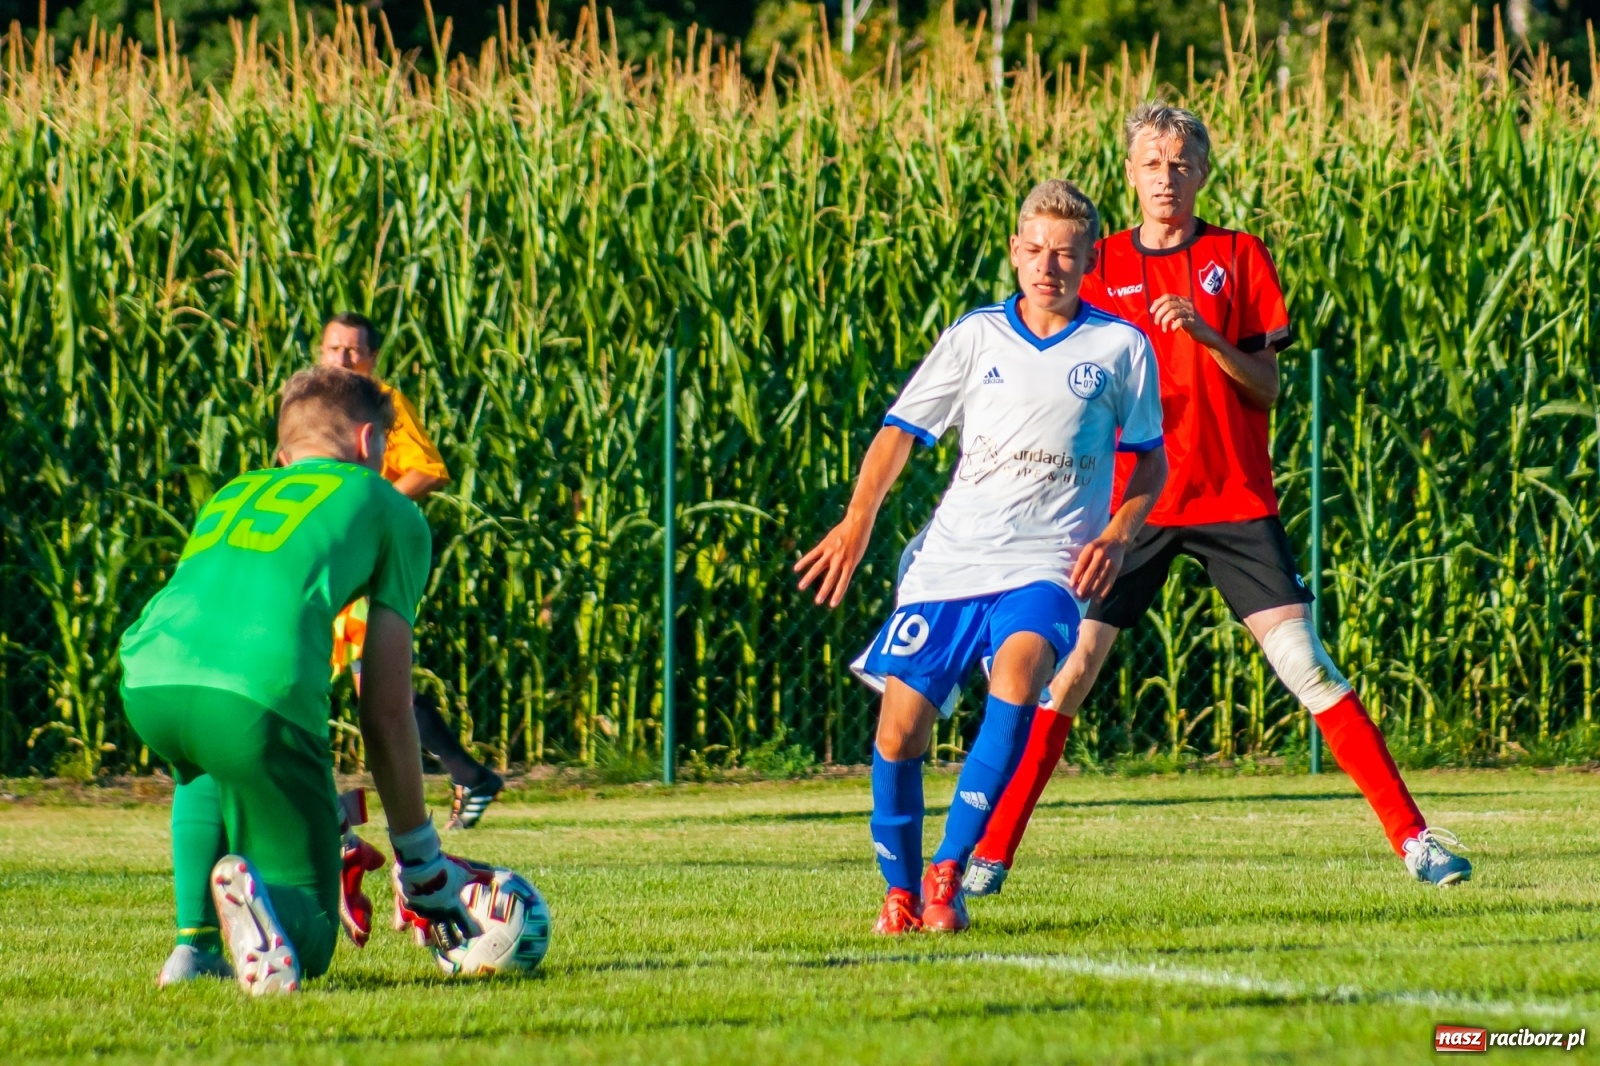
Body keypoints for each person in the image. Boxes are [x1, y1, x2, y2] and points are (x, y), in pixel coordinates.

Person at [960, 103, 1471, 900]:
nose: (1166, 176)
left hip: (1233, 499)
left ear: (1202, 172)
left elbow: (1267, 389)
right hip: (1130, 509)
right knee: (1069, 675)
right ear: (1129, 174)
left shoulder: (1237, 255)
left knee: (1305, 665)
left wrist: (1204, 335)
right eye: (1151, 163)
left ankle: (1417, 841)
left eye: (1180, 163)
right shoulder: (1096, 269)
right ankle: (988, 857)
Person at [797, 180, 1168, 934]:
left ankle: (949, 873)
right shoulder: (976, 336)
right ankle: (899, 892)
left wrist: (1118, 532)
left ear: (1090, 258)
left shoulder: (1121, 347)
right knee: (899, 732)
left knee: (1021, 674)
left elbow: (1151, 464)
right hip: (949, 564)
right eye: (1035, 250)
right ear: (1014, 253)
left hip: (1046, 566)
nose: (1049, 266)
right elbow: (901, 431)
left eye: (1066, 253)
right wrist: (857, 519)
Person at [121, 366, 490, 993]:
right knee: (311, 938)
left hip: (149, 674)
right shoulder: (389, 509)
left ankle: (192, 951)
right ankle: (268, 913)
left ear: (283, 456)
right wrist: (421, 857)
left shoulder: (235, 489)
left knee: (202, 767)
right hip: (255, 696)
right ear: (371, 442)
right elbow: (386, 708)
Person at [319, 312, 505, 831]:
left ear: (373, 359)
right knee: (366, 683)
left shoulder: (383, 404)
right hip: (330, 555)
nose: (341, 359)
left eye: (352, 351)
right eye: (332, 348)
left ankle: (337, 808)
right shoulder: (317, 407)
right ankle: (467, 775)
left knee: (363, 682)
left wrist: (371, 509)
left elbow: (428, 468)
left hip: (366, 560)